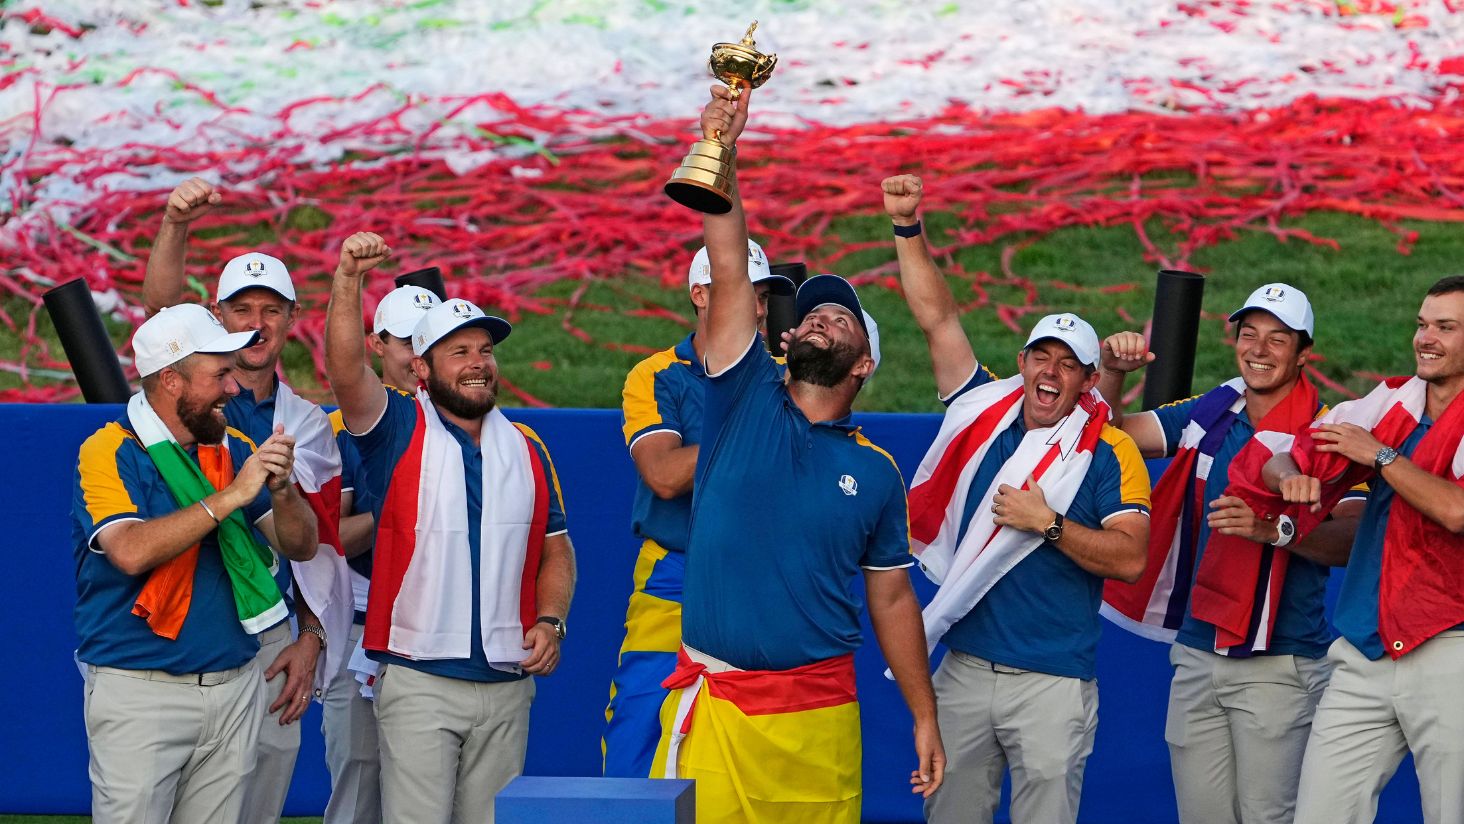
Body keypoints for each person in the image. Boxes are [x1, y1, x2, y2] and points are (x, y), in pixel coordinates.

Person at [648, 87, 944, 824]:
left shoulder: (877, 473)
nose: (820, 317)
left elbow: (892, 598)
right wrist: (725, 146)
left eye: (840, 317)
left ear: (863, 365)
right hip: (716, 708)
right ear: (783, 341)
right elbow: (726, 253)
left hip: (820, 718)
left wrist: (924, 715)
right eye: (810, 312)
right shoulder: (738, 397)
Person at [881, 174, 1150, 824]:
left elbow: (1131, 559)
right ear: (1022, 361)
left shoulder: (1109, 450)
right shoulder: (981, 415)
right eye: (1040, 356)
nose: (1049, 371)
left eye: (1067, 363)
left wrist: (1049, 524)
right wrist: (907, 227)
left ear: (1088, 380)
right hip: (966, 670)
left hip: (1053, 684)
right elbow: (937, 316)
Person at [325, 232, 576, 824]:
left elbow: (556, 551)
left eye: (484, 349)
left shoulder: (528, 445)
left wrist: (551, 620)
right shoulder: (397, 430)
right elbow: (344, 371)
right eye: (458, 351)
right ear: (421, 366)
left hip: (507, 682)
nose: (477, 362)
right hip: (419, 680)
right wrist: (346, 280)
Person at [1097, 283, 1365, 824]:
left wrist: (1275, 531)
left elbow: (1351, 538)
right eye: (1249, 335)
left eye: (1278, 338)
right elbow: (1109, 433)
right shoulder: (1214, 410)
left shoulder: (1332, 430)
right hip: (1197, 651)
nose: (1259, 349)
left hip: (1280, 664)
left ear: (1304, 352)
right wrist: (1112, 372)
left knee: (1269, 818)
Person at [142, 177, 351, 824]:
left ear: (291, 320)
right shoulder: (182, 394)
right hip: (172, 617)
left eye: (271, 310)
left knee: (253, 808)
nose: (256, 324)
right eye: (241, 309)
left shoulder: (307, 422)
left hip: (265, 634)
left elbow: (316, 541)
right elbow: (159, 318)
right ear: (216, 317)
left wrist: (311, 636)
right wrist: (176, 223)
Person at [74, 304, 318, 823]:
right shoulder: (109, 450)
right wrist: (232, 495)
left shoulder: (234, 447)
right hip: (141, 691)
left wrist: (284, 491)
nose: (234, 388)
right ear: (171, 380)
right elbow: (130, 551)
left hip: (234, 684)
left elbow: (300, 546)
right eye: (220, 374)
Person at [1264, 276, 1464, 824]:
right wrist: (1290, 478)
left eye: (1446, 327)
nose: (1426, 337)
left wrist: (1380, 456)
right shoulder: (1391, 400)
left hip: (1451, 649)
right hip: (1363, 651)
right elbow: (1283, 452)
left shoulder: (1383, 432)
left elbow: (1457, 511)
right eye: (1423, 324)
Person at [600, 239, 791, 778]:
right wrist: (753, 427)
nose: (753, 307)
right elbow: (661, 475)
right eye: (739, 292)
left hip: (765, 575)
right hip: (676, 570)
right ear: (700, 294)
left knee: (756, 732)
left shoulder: (790, 375)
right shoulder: (656, 374)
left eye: (758, 296)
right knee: (642, 719)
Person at [320, 283, 439, 824]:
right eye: (404, 340)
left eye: (428, 338)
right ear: (375, 344)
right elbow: (333, 540)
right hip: (363, 627)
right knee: (359, 781)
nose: (417, 353)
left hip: (445, 627)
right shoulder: (342, 428)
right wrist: (396, 508)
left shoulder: (474, 423)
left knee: (441, 787)